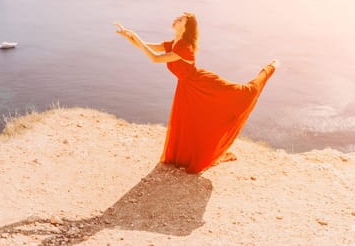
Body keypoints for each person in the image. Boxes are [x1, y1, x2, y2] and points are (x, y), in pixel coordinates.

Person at [115, 12, 279, 174]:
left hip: (203, 84)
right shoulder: (174, 43)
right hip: (187, 88)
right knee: (189, 124)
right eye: (178, 18)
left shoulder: (184, 48)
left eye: (180, 20)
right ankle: (183, 158)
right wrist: (128, 35)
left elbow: (155, 58)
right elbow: (147, 46)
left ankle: (270, 68)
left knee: (244, 93)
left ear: (186, 28)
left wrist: (136, 36)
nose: (176, 19)